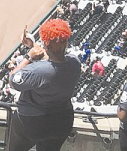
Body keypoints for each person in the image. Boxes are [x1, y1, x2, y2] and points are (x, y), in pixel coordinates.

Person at [6, 18, 80, 151]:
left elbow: (13, 80)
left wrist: (28, 57)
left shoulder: (37, 71)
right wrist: (33, 45)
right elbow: (54, 60)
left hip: (32, 123)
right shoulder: (75, 63)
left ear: (45, 44)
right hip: (62, 121)